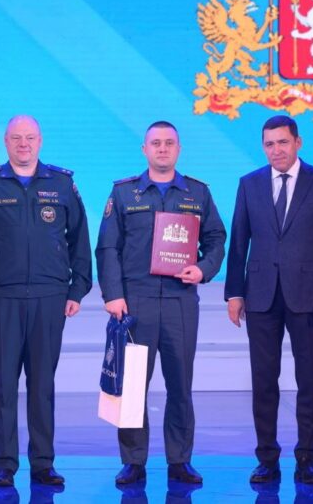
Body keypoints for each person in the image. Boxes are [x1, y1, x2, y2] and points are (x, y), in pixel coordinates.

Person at [0, 115, 92, 488]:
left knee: (42, 385)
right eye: (16, 138)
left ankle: (43, 463)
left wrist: (77, 289)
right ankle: (4, 464)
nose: (24, 144)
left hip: (50, 298)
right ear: (6, 141)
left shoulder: (62, 184)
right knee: (3, 385)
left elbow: (80, 240)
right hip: (1, 300)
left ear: (40, 141)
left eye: (30, 137)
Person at [96, 121, 226, 486]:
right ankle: (133, 461)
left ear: (179, 149)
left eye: (169, 143)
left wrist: (203, 269)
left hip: (180, 302)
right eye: (156, 143)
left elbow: (216, 238)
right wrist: (113, 294)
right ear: (145, 149)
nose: (163, 148)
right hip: (135, 303)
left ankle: (180, 460)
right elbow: (107, 247)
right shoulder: (124, 193)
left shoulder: (197, 192)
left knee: (180, 385)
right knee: (133, 386)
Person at [224, 115, 313, 485]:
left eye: (282, 142)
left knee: (309, 380)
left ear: (298, 143)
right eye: (269, 144)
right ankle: (267, 458)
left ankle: (307, 458)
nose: (276, 150)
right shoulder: (249, 184)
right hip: (260, 297)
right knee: (263, 380)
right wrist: (234, 293)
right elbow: (239, 242)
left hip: (308, 297)